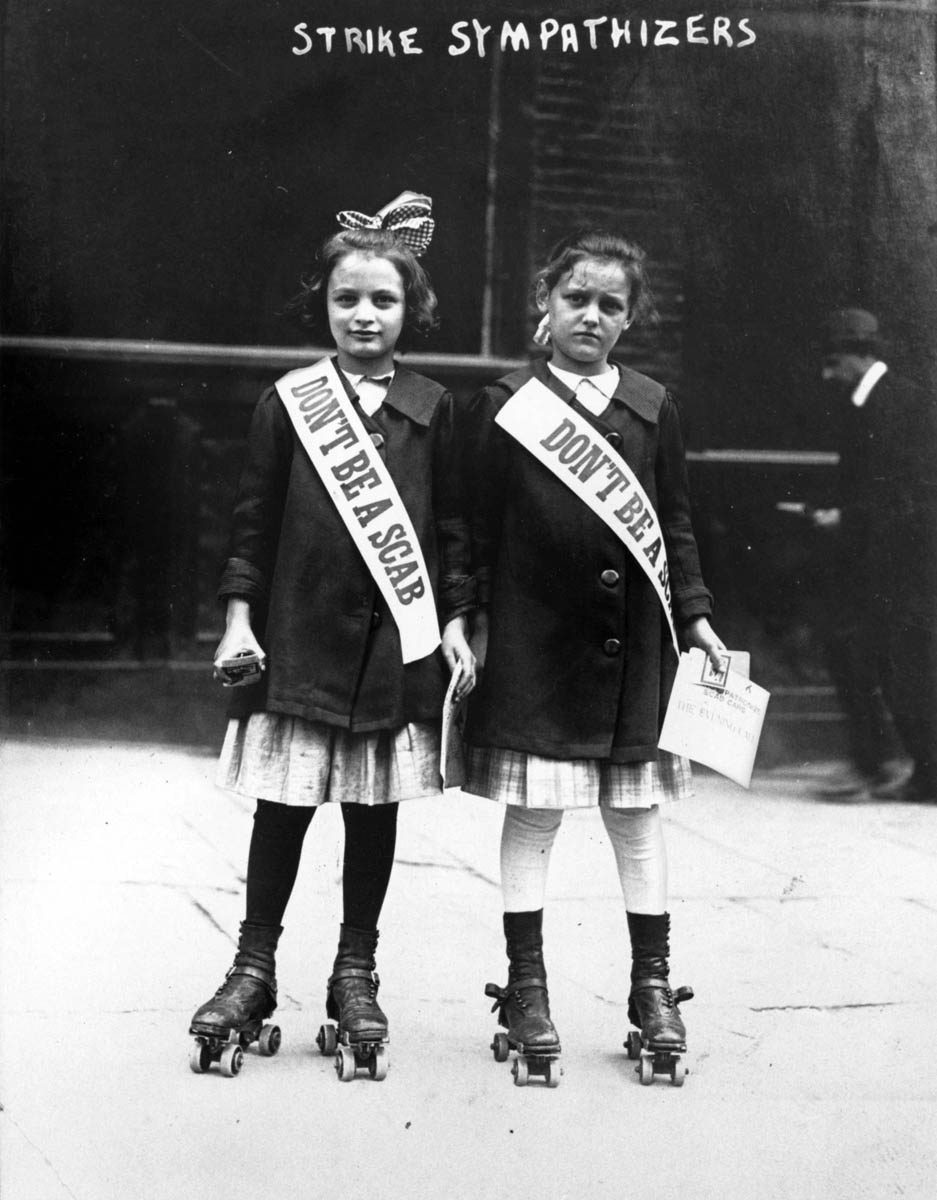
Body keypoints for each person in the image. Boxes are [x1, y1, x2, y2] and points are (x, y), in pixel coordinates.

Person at [188, 192, 477, 1079]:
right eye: (347, 299)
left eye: (383, 301)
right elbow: (251, 527)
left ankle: (356, 969)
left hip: (394, 647)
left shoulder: (435, 409)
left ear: (411, 311)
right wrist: (239, 619)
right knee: (283, 807)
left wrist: (460, 621)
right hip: (298, 639)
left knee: (371, 810)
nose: (363, 315)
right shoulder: (289, 402)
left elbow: (456, 530)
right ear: (324, 303)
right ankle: (254, 966)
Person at [463, 229, 724, 1085]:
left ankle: (651, 986)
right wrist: (467, 616)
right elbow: (469, 526)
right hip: (537, 640)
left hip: (632, 647)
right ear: (545, 299)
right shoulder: (507, 403)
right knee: (536, 812)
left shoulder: (652, 406)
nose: (591, 315)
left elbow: (675, 524)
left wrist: (696, 619)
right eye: (576, 297)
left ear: (629, 318)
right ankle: (527, 987)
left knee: (634, 813)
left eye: (611, 304)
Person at [814, 307, 937, 804]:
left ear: (858, 357)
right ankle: (885, 763)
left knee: (897, 661)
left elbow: (907, 493)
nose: (828, 374)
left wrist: (845, 518)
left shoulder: (896, 406)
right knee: (866, 655)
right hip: (879, 559)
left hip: (900, 564)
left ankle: (910, 769)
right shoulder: (876, 402)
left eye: (833, 361)